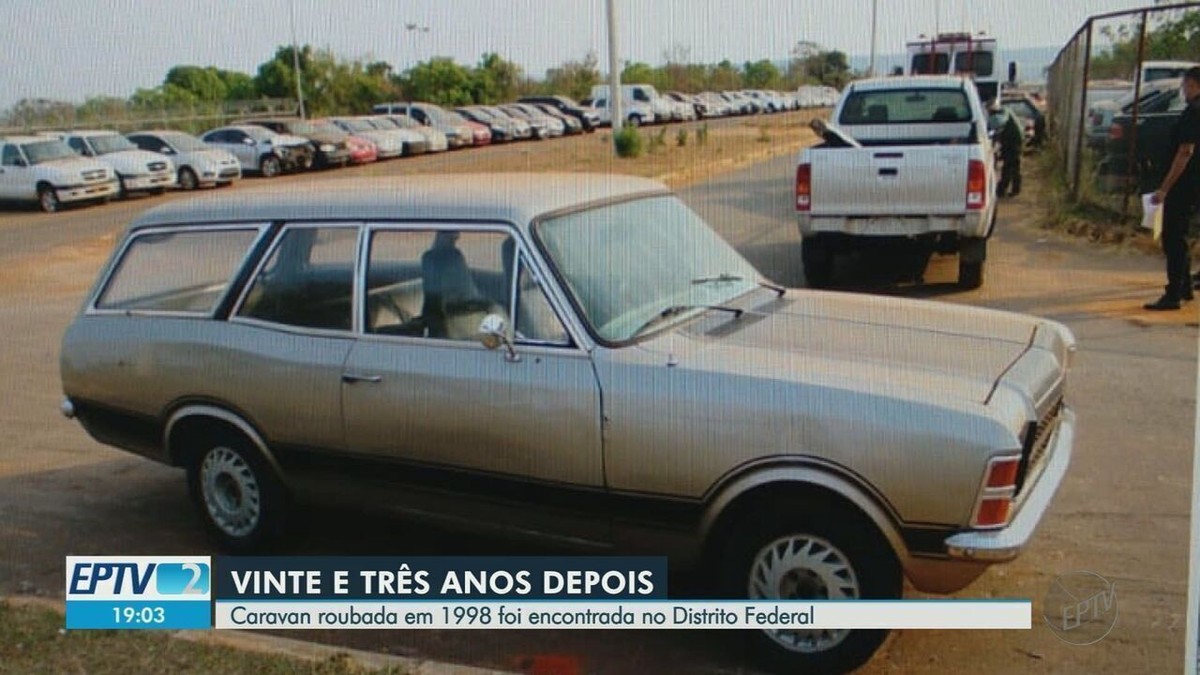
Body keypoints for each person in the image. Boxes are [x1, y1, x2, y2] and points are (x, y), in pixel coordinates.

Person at [1144, 66, 1200, 311]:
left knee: (1173, 237)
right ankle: (1185, 287)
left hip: (1184, 184)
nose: (1183, 90)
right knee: (1181, 235)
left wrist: (1164, 189)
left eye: (1186, 85)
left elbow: (1185, 152)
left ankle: (1173, 294)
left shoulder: (1193, 112)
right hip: (1194, 183)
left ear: (1194, 85)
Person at [989, 100, 1024, 197]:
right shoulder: (1005, 112)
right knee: (1012, 166)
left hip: (1013, 142)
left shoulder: (1002, 114)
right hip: (1013, 141)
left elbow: (997, 125)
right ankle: (1008, 188)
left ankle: (1004, 189)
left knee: (1010, 166)